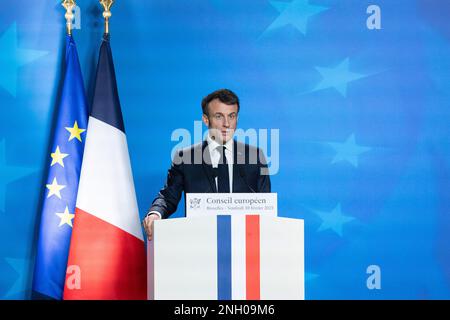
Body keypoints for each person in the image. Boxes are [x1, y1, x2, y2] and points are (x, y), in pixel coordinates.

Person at [142, 89, 271, 239]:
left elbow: (265, 204)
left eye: (232, 116)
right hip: (200, 242)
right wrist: (155, 214)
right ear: (205, 119)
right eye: (219, 116)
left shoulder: (255, 156)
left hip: (245, 242)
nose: (227, 124)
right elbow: (167, 197)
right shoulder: (186, 157)